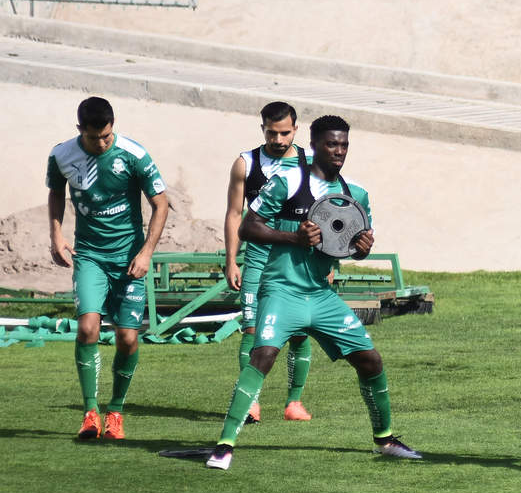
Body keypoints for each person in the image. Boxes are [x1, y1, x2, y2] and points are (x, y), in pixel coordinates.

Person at [207, 114, 420, 470]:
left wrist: (362, 248)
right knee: (263, 355)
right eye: (331, 144)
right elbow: (248, 227)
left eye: (344, 145)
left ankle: (385, 440)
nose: (339, 151)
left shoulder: (356, 194)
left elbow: (349, 247)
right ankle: (225, 445)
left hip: (320, 295)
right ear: (315, 144)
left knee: (371, 360)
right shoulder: (288, 180)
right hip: (281, 290)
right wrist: (293, 237)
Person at [47, 96, 169, 440]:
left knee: (127, 338)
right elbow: (56, 193)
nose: (102, 143)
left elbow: (161, 204)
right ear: (79, 130)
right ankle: (90, 413)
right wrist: (56, 235)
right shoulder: (61, 155)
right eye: (94, 137)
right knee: (87, 329)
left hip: (129, 258)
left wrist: (146, 253)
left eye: (106, 136)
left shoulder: (134, 154)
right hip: (89, 256)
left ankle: (116, 411)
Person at [223, 101, 314, 424]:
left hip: (299, 260)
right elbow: (235, 214)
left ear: (296, 129)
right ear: (262, 128)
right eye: (272, 133)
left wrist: (329, 265)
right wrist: (231, 260)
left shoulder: (312, 163)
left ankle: (294, 402)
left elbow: (327, 213)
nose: (278, 139)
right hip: (259, 258)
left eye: (285, 133)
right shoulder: (246, 164)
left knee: (301, 331)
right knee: (251, 329)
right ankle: (251, 403)